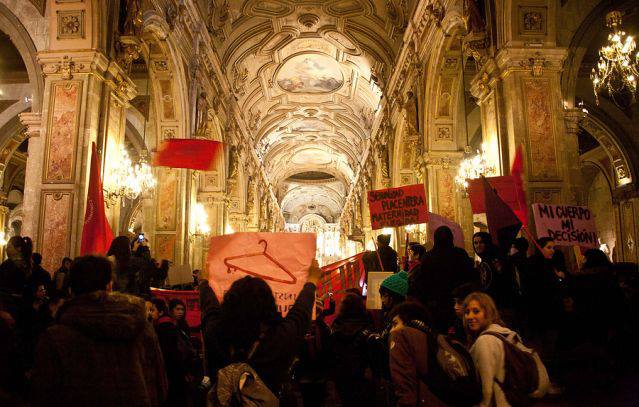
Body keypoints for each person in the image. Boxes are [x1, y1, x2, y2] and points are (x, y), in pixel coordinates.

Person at [31, 255, 167, 406]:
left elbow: (43, 394)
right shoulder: (141, 328)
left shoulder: (55, 337)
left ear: (70, 289)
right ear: (109, 286)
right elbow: (159, 387)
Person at [199, 260, 321, 396]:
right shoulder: (279, 339)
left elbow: (209, 307)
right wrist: (311, 281)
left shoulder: (215, 334)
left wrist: (204, 283)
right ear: (269, 304)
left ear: (229, 303)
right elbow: (300, 312)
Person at [463, 292, 548, 407]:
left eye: (476, 311)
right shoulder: (505, 333)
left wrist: (482, 405)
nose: (470, 316)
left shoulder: (485, 341)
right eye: (467, 312)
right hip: (517, 399)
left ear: (488, 313)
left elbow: (487, 387)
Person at [409, 226, 475, 332]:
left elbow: (423, 283)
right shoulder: (460, 254)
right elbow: (469, 277)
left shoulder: (428, 257)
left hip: (436, 305)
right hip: (457, 303)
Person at [388, 301, 447, 407]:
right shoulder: (436, 340)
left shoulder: (400, 337)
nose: (391, 330)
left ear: (410, 323)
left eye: (395, 323)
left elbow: (405, 389)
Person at [327, 293, 374, 406]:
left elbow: (330, 359)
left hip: (342, 380)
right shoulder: (366, 329)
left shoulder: (335, 329)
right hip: (362, 379)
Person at [154, 297, 197, 407]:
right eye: (177, 309)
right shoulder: (167, 326)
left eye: (182, 309)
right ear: (171, 310)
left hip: (185, 366)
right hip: (175, 369)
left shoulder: (183, 325)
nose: (180, 312)